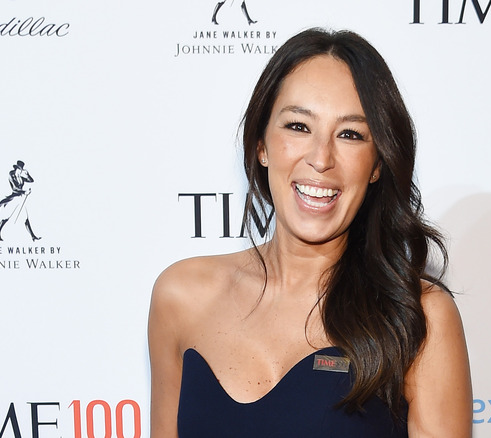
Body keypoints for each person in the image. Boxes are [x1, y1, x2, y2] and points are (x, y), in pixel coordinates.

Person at [148, 28, 471, 437]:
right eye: (298, 126)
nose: (321, 158)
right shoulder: (181, 295)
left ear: (376, 165)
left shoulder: (418, 315)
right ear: (261, 145)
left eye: (350, 134)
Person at [0, 160, 40, 241]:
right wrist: (24, 191)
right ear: (16, 169)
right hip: (14, 198)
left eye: (21, 170)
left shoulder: (21, 177)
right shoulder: (11, 175)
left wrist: (27, 174)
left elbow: (31, 180)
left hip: (21, 198)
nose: (20, 171)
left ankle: (33, 236)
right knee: (6, 216)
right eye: (19, 170)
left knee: (25, 218)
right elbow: (15, 188)